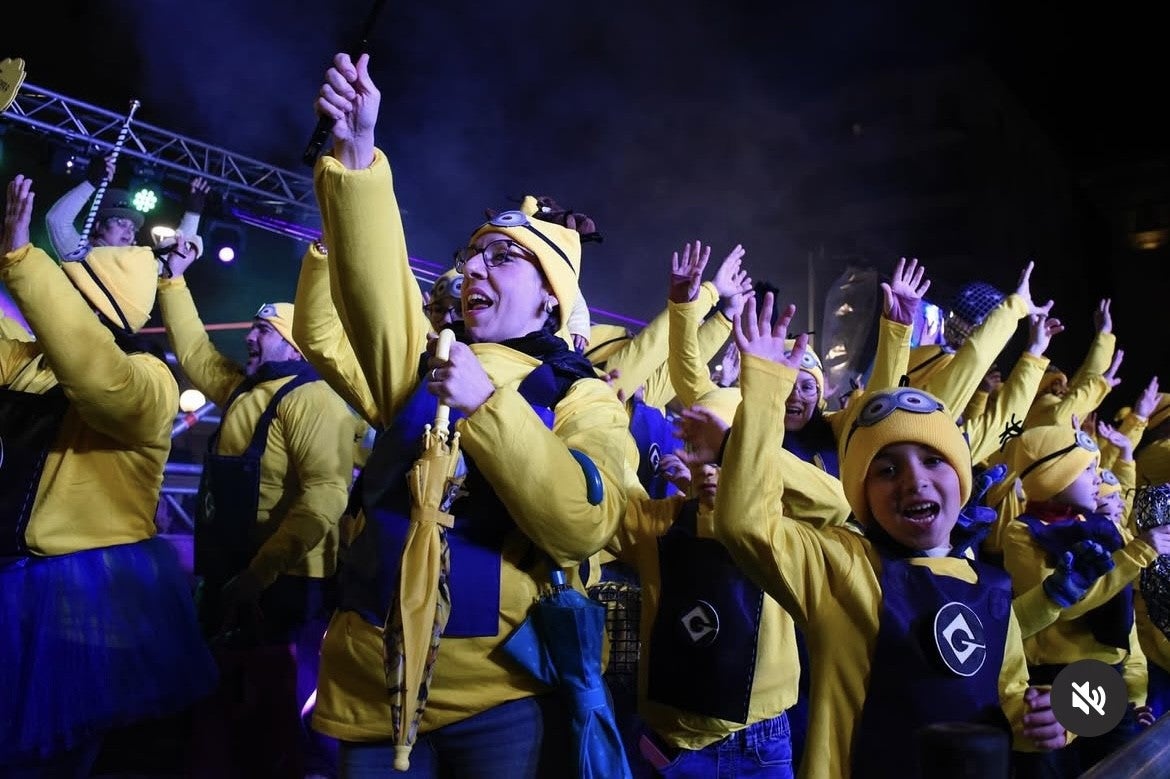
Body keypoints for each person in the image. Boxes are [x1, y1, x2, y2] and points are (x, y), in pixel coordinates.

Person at [305, 51, 633, 777]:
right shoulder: (424, 364)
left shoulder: (581, 395)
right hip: (371, 692)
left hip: (498, 700)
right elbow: (377, 297)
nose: (475, 268)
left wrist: (488, 406)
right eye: (474, 254)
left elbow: (582, 524)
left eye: (504, 257)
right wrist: (356, 156)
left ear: (551, 298)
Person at [713, 292, 1069, 779]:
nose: (914, 481)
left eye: (934, 460)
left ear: (962, 478)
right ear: (860, 494)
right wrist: (764, 394)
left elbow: (1004, 702)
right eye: (886, 470)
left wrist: (1049, 719)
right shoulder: (840, 567)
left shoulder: (989, 587)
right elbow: (744, 524)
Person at [0, 174, 217, 775]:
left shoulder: (149, 380)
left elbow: (95, 373)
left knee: (60, 748)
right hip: (13, 573)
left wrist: (23, 262)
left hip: (80, 593)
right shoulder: (33, 360)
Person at [156, 242, 356, 778]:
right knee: (227, 703)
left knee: (273, 710)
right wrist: (173, 281)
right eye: (252, 327)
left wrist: (260, 574)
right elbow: (195, 352)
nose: (249, 336)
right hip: (235, 572)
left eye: (262, 330)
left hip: (287, 582)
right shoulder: (246, 390)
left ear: (292, 344)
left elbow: (326, 495)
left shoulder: (314, 400)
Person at [1001, 422, 1170, 776]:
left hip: (1108, 675)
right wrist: (1139, 552)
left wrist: (1135, 692)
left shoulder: (1101, 525)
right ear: (1055, 479)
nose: (1098, 478)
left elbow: (1122, 619)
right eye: (1087, 469)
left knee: (1122, 769)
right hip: (1057, 679)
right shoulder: (1023, 532)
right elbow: (1063, 603)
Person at [44, 152, 209, 259]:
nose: (129, 232)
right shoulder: (82, 253)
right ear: (99, 227)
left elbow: (175, 258)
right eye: (121, 223)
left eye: (132, 228)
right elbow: (56, 221)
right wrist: (90, 184)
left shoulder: (138, 265)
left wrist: (193, 213)